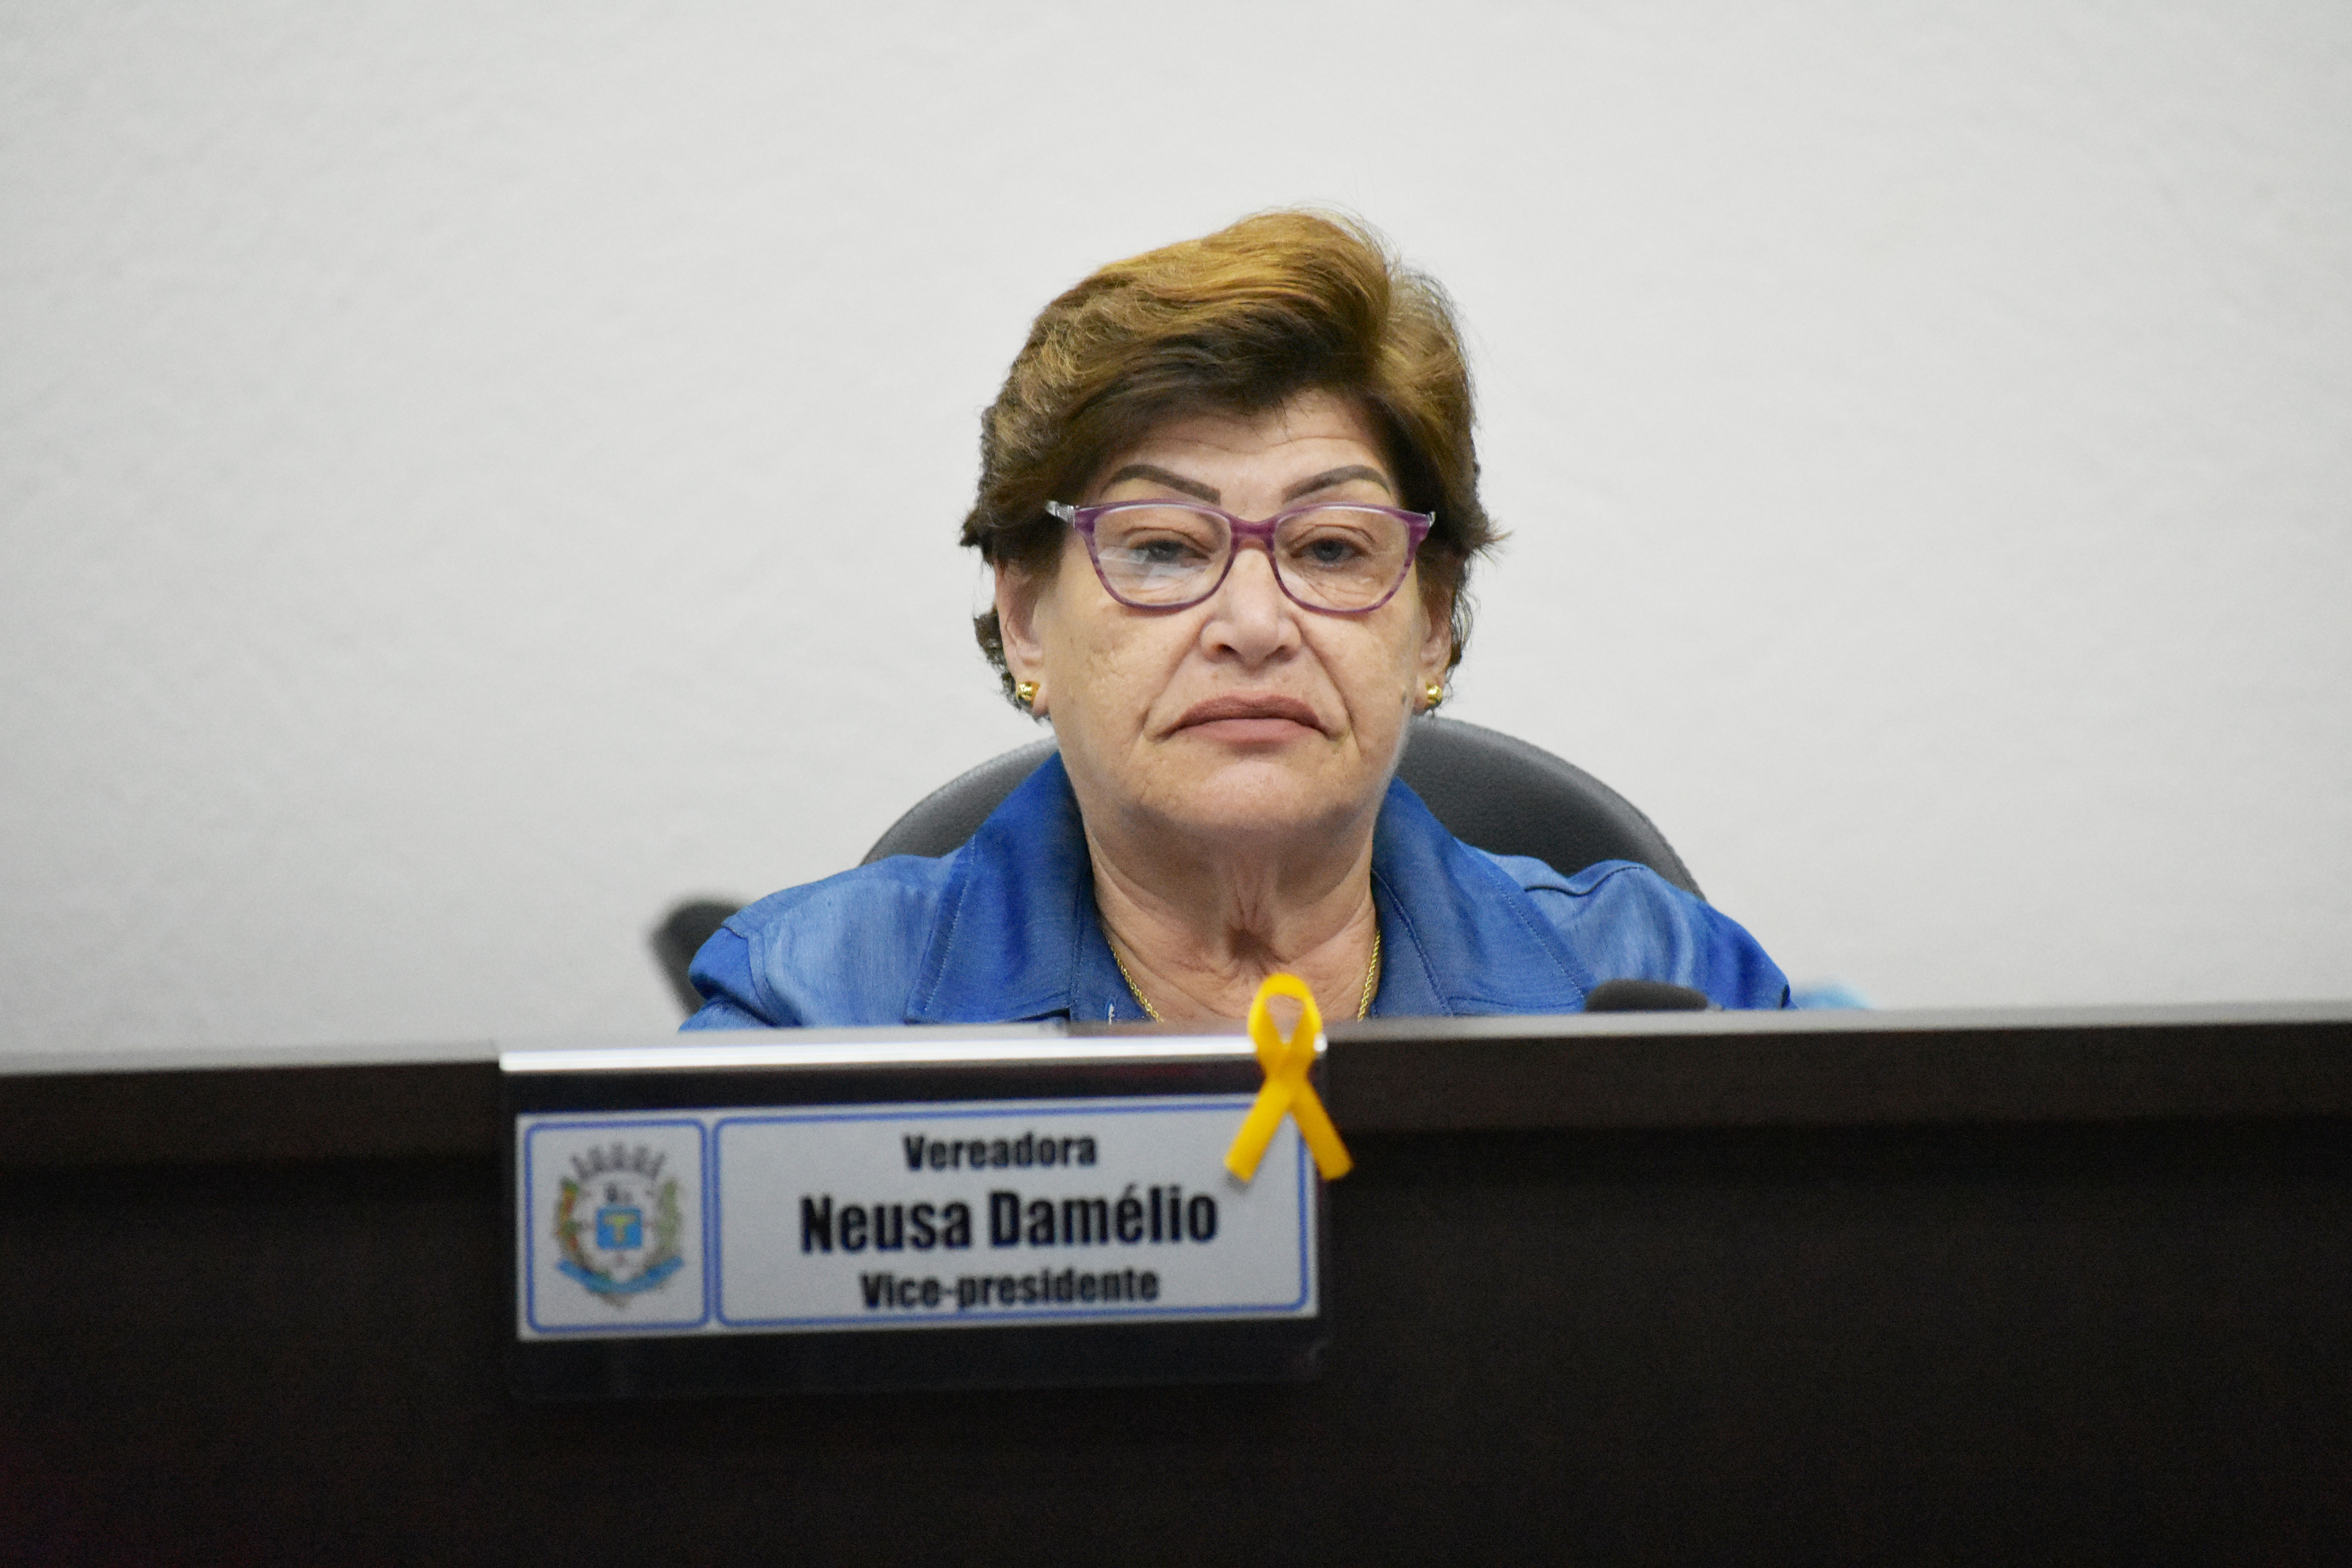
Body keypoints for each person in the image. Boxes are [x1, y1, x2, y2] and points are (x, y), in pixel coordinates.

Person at [686, 211, 1787, 1029]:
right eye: (1165, 548)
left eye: (1331, 549)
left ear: (1433, 624)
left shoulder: (1668, 983)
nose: (1255, 624)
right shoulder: (813, 1007)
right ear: (1025, 621)